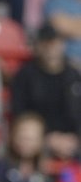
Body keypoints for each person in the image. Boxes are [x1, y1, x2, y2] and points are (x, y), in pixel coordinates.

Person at [8, 24, 81, 163]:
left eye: (54, 42)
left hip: (73, 141)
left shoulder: (74, 76)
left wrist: (75, 138)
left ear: (62, 44)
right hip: (36, 140)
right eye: (46, 43)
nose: (50, 48)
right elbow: (19, 114)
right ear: (38, 45)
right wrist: (47, 138)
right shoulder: (25, 75)